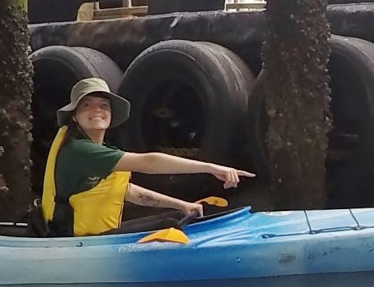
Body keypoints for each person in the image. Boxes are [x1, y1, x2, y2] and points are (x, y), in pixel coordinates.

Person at [40, 77, 254, 237]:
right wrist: (211, 168)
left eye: (103, 106)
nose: (97, 110)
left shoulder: (99, 151)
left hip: (86, 237)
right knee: (169, 225)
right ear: (75, 118)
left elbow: (128, 191)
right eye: (86, 105)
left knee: (177, 216)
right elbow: (148, 162)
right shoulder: (80, 150)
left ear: (111, 115)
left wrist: (182, 205)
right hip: (70, 239)